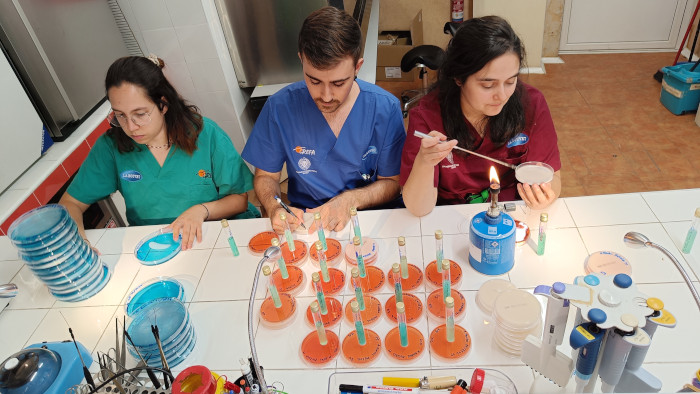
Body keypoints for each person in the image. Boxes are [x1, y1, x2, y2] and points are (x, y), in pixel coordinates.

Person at [59, 55, 257, 250]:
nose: (131, 126)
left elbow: (239, 200)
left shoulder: (205, 135)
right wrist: (79, 243)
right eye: (120, 115)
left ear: (163, 105)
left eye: (140, 114)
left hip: (214, 235)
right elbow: (70, 203)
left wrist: (201, 210)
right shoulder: (110, 147)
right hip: (155, 246)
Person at [241, 6, 406, 234]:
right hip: (309, 222)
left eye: (339, 83)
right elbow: (266, 176)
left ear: (358, 66)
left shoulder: (384, 109)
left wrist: (351, 200)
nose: (326, 96)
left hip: (370, 218)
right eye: (314, 81)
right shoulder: (280, 108)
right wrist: (273, 206)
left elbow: (393, 182)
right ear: (301, 60)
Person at [400, 16, 561, 217]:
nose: (502, 96)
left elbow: (553, 177)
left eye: (511, 81)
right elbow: (418, 209)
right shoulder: (428, 117)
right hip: (452, 218)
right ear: (459, 78)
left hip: (512, 215)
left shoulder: (532, 104)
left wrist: (543, 196)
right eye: (487, 85)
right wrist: (425, 162)